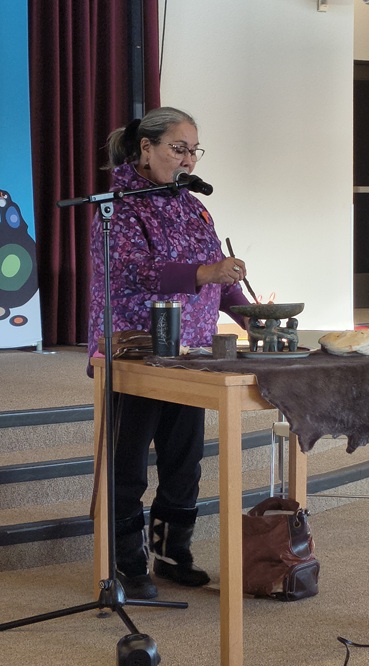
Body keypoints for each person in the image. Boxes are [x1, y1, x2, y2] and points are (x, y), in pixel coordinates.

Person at [87, 106, 250, 599]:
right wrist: (206, 273)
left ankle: (172, 552)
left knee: (184, 461)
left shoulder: (193, 206)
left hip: (190, 354)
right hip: (135, 353)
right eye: (179, 149)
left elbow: (218, 274)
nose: (188, 161)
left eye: (194, 151)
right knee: (129, 463)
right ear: (146, 148)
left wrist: (254, 316)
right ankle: (127, 562)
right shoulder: (118, 206)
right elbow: (134, 270)